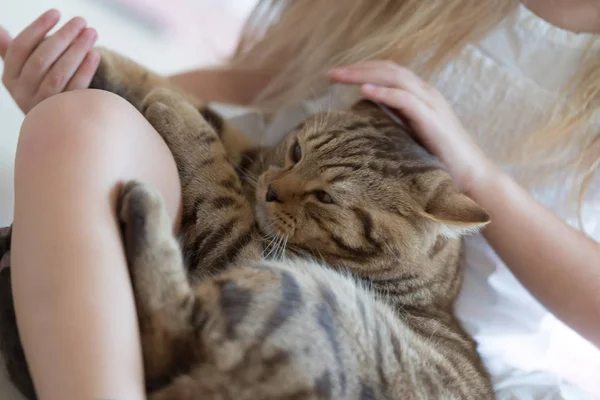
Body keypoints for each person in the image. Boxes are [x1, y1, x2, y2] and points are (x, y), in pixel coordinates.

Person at [0, 1, 599, 399]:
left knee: (302, 303)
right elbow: (256, 78)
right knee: (78, 123)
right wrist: (79, 80)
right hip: (252, 177)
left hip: (407, 332)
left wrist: (478, 175)